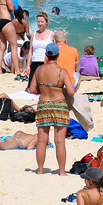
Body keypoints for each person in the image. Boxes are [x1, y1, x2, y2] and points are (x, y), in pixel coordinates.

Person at [28, 43, 76, 176]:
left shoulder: (38, 70)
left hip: (43, 104)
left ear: (46, 55)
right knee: (60, 141)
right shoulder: (62, 71)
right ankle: (61, 172)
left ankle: (40, 170)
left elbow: (32, 90)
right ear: (58, 55)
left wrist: (43, 89)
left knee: (42, 141)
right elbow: (71, 92)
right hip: (59, 104)